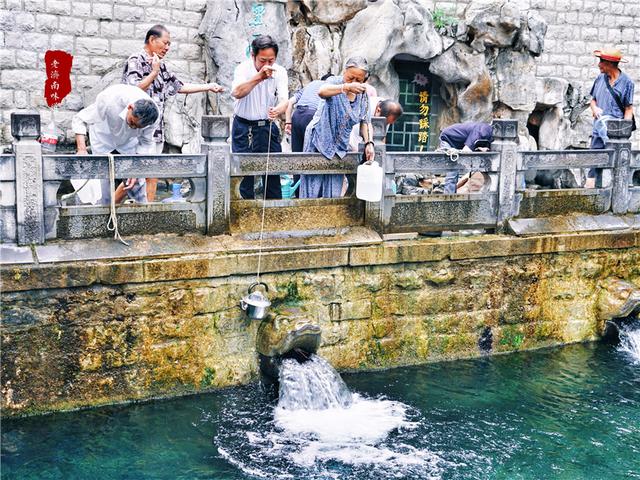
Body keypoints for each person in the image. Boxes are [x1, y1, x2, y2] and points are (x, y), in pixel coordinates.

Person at [122, 24, 224, 201]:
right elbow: (133, 89)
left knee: (151, 174)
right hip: (137, 130)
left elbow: (180, 86)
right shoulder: (135, 60)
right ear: (152, 40)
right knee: (133, 178)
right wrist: (153, 73)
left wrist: (208, 87)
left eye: (169, 44)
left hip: (156, 131)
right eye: (165, 43)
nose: (167, 48)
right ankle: (112, 210)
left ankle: (147, 214)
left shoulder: (161, 66)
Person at [300, 57, 376, 199]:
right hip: (318, 141)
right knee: (312, 189)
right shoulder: (335, 82)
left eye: (359, 80)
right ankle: (307, 219)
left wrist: (369, 143)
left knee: (333, 191)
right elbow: (322, 91)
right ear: (344, 71)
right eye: (350, 77)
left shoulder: (362, 95)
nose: (354, 82)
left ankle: (329, 219)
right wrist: (345, 87)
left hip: (339, 148)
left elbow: (365, 120)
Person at [71, 84, 159, 205]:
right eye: (132, 122)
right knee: (102, 191)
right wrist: (81, 149)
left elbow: (146, 143)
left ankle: (144, 215)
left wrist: (136, 169)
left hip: (128, 145)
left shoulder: (154, 117)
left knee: (136, 183)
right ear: (130, 107)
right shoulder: (109, 99)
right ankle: (102, 217)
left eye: (137, 127)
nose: (133, 127)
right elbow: (80, 119)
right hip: (103, 140)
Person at [231, 35, 288, 199]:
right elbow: (237, 93)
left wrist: (278, 110)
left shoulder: (280, 71)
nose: (267, 65)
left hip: (267, 128)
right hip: (243, 128)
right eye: (263, 60)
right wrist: (259, 77)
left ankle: (274, 216)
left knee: (272, 174)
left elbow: (284, 100)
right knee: (244, 176)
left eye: (271, 60)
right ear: (253, 56)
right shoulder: (243, 69)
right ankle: (244, 217)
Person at [589, 48, 634, 149]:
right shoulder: (600, 78)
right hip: (598, 131)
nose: (599, 64)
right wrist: (594, 108)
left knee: (614, 160)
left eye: (601, 61)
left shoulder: (627, 83)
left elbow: (628, 109)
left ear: (610, 63)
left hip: (614, 133)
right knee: (595, 160)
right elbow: (593, 100)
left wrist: (624, 134)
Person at [438, 122, 493, 194]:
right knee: (453, 171)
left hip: (459, 144)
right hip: (448, 139)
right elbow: (466, 151)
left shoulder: (488, 134)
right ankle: (448, 198)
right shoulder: (482, 130)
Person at [285, 73, 332, 152]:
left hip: (296, 116)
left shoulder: (310, 85)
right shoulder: (329, 87)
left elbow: (289, 102)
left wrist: (288, 122)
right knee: (313, 153)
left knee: (297, 153)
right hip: (311, 116)